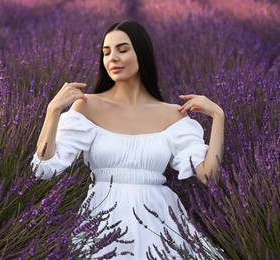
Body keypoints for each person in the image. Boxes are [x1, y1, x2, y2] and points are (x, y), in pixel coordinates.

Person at [31, 20, 225, 259]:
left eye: (123, 50)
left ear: (141, 53)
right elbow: (43, 169)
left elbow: (209, 176)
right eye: (106, 52)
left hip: (160, 221)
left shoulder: (174, 114)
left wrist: (218, 116)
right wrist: (53, 112)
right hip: (102, 221)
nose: (113, 58)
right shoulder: (87, 106)